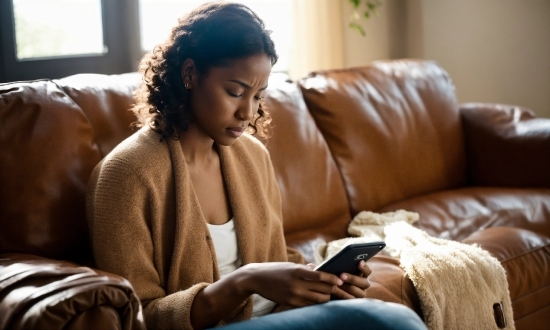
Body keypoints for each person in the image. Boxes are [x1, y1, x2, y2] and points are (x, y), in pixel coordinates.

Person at [86, 2, 426, 330]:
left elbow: (277, 257)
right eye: (235, 92)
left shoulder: (252, 156)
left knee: (382, 313)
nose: (248, 113)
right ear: (190, 73)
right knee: (390, 321)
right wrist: (244, 282)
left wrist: (322, 283)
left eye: (258, 96)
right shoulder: (125, 175)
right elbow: (139, 317)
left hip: (281, 315)